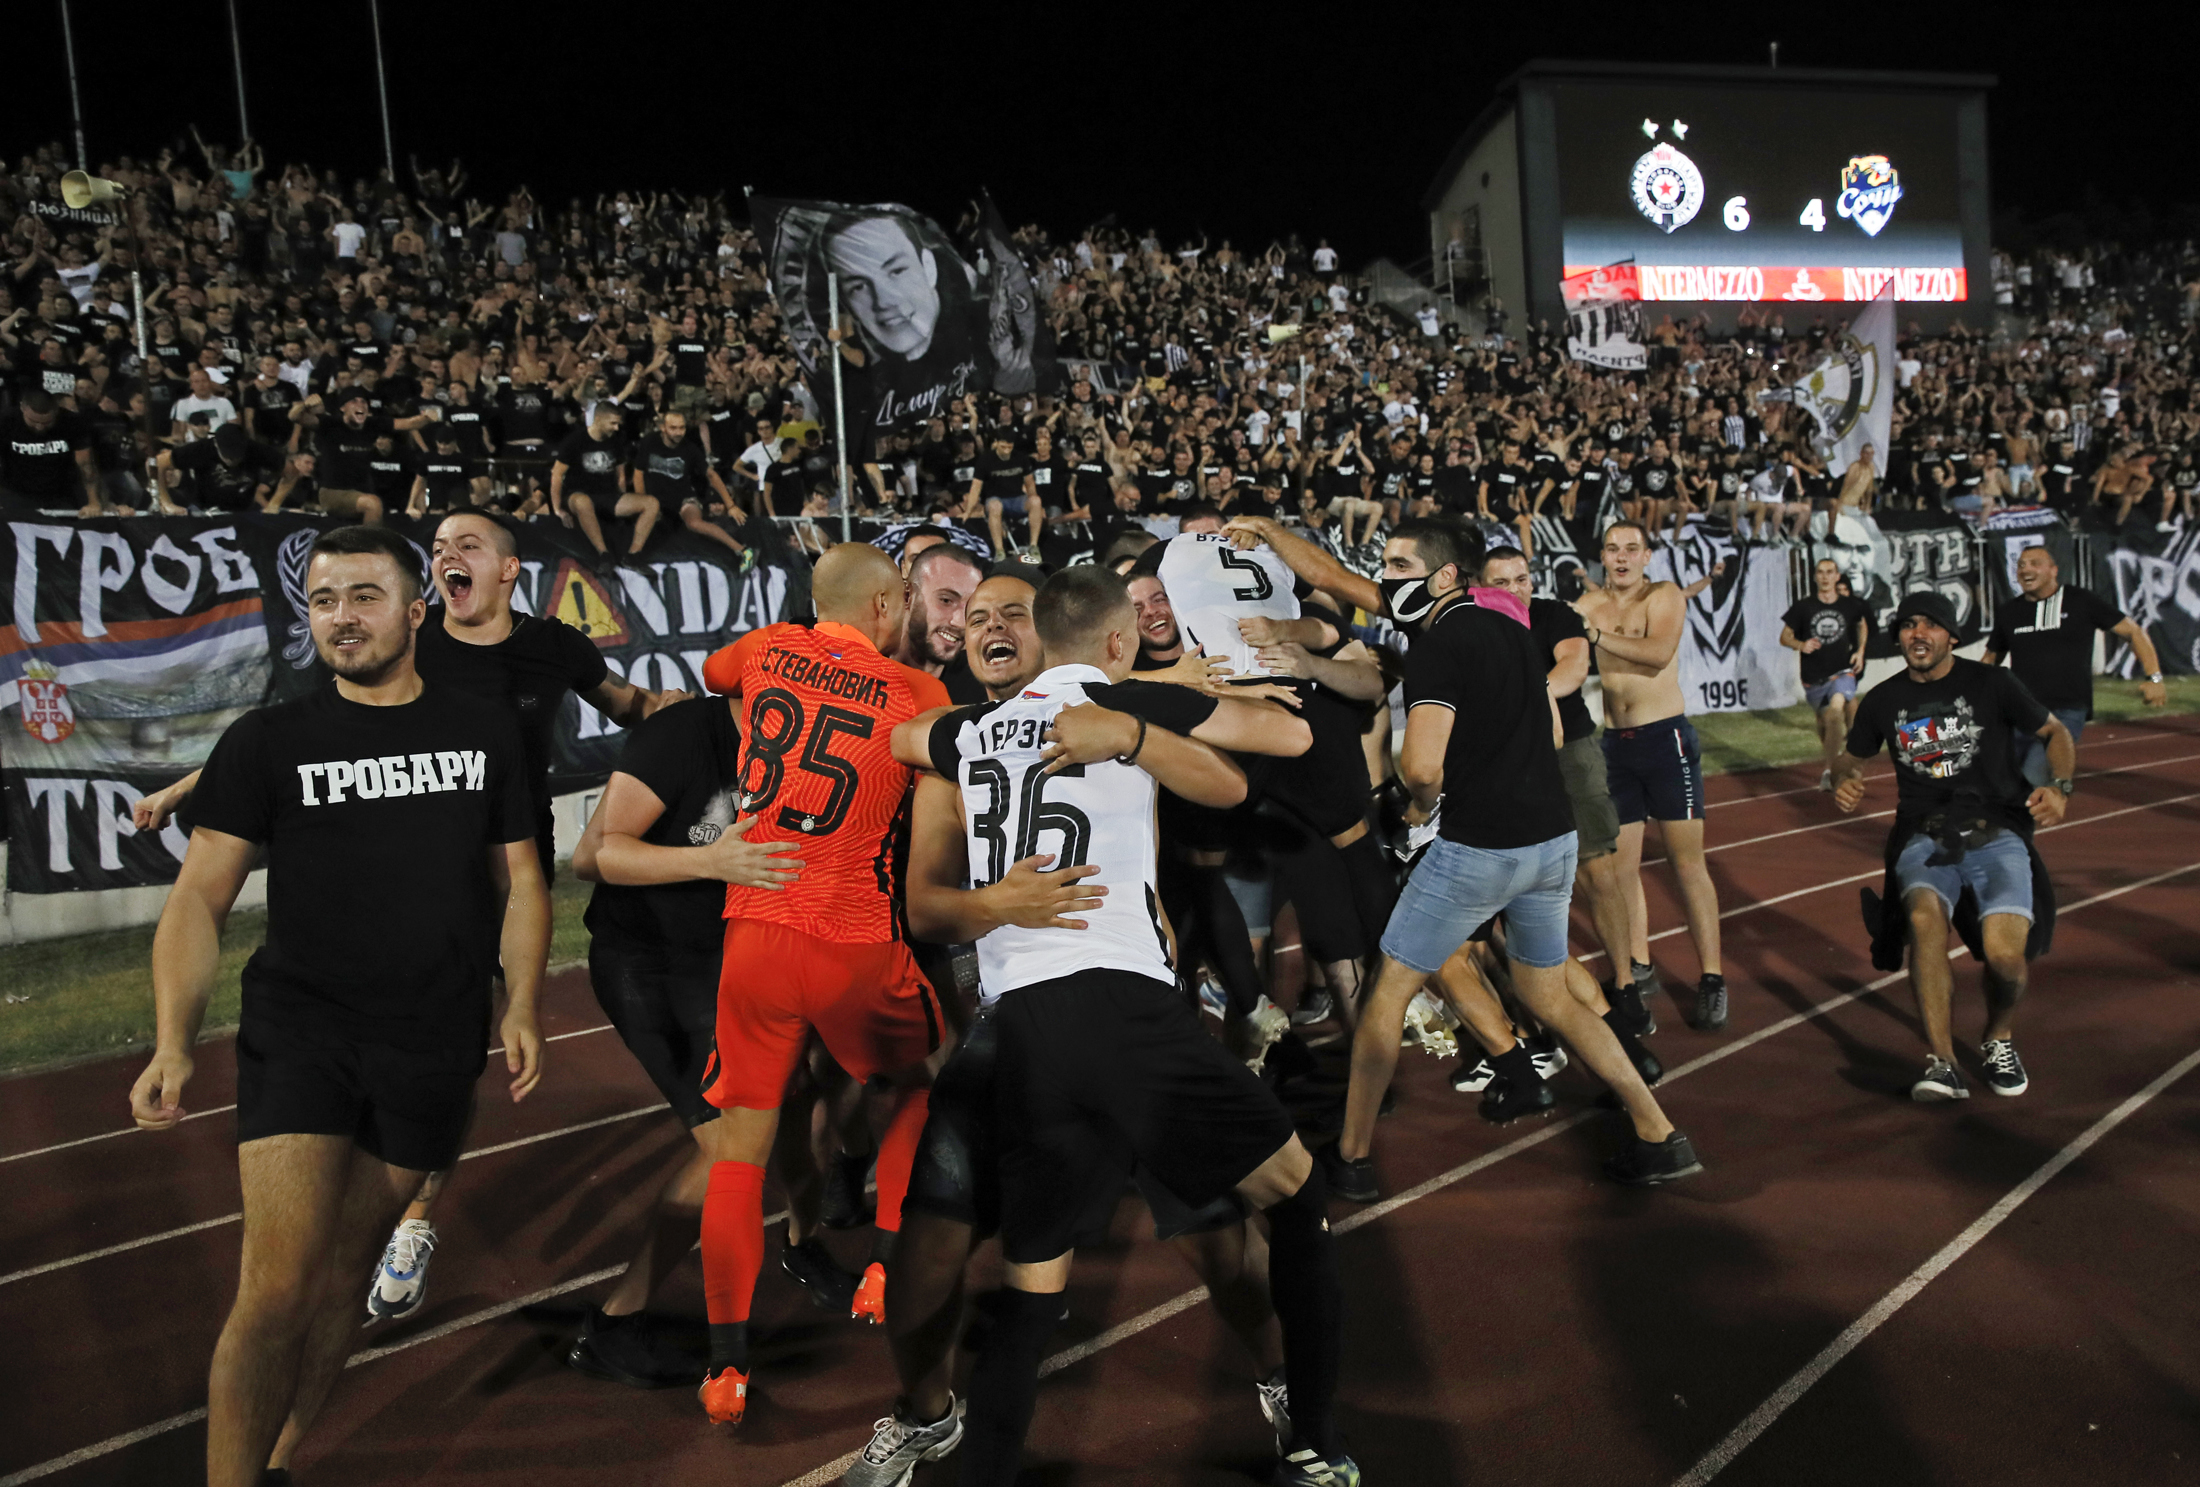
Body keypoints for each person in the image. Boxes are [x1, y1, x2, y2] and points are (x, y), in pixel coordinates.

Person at [131, 510, 687, 1321]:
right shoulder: (407, 646)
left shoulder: (555, 646)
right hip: (421, 872)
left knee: (458, 1052)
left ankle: (416, 1215)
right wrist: (190, 787)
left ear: (508, 570)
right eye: (439, 547)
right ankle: (374, 1196)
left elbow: (627, 702)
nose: (447, 555)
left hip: (507, 869)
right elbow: (307, 731)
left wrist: (687, 710)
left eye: (468, 545)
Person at [894, 566, 1359, 1487]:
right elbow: (1275, 748)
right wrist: (1152, 714)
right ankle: (1315, 1436)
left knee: (1034, 1277)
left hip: (1022, 1026)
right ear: (1117, 641)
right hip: (1121, 1004)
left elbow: (907, 736)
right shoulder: (1118, 699)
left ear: (1039, 633)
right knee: (1296, 1196)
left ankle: (970, 1457)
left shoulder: (967, 731)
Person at [128, 525, 548, 1487]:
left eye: (364, 596)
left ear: (416, 610)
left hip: (436, 1038)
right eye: (323, 600)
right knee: (276, 1286)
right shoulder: (267, 740)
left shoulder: (484, 730)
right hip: (303, 1031)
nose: (341, 617)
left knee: (346, 1276)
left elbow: (522, 880)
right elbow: (197, 899)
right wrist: (173, 1041)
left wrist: (523, 998)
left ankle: (278, 1463)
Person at [1312, 520, 1698, 1203]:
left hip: (1479, 848)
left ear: (1443, 576)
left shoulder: (1436, 645)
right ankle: (1659, 1131)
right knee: (1549, 995)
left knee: (1387, 993)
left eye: (1398, 564)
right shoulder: (1514, 630)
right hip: (1550, 840)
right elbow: (1552, 731)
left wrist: (1419, 808)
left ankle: (1351, 1158)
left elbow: (1421, 766)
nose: (1385, 576)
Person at [690, 543, 954, 1426]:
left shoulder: (768, 645)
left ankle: (726, 1367)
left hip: (757, 928)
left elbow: (715, 674)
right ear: (884, 605)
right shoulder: (917, 689)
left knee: (740, 1150)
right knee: (915, 1083)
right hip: (854, 932)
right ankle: (882, 1263)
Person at [560, 690, 810, 1387]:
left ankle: (807, 1241)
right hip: (652, 963)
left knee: (787, 1110)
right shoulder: (681, 733)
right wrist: (712, 863)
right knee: (732, 1148)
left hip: (729, 962)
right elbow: (592, 855)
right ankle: (617, 1321)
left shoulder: (808, 740)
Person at [1831, 592, 2074, 1101]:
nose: (1918, 634)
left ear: (1952, 636)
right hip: (1923, 834)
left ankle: (1998, 1037)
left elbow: (2054, 732)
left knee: (2006, 960)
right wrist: (1844, 778)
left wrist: (2060, 787)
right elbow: (1850, 758)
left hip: (1996, 832)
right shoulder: (1883, 699)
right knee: (1924, 921)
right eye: (1908, 626)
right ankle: (1943, 1063)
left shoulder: (1993, 683)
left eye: (1930, 625)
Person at [1576, 521, 1730, 1030]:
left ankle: (1712, 978)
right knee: (1621, 870)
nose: (1621, 557)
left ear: (1646, 555)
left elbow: (1658, 652)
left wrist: (1596, 635)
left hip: (1666, 741)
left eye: (1631, 548)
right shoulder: (1587, 604)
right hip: (1614, 747)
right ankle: (1639, 965)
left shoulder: (1664, 596)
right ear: (1602, 556)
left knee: (1687, 865)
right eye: (1612, 549)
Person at [1478, 546, 1642, 1015]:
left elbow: (1573, 666)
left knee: (1597, 870)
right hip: (1501, 761)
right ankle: (1536, 994)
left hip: (1569, 750)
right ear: (1481, 588)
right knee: (1509, 881)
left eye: (1522, 579)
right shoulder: (1472, 625)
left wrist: (1521, 698)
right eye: (1501, 583)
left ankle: (1626, 984)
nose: (1515, 590)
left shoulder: (1555, 615)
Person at [1982, 545, 2167, 787]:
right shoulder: (2009, 612)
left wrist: (2154, 678)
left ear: (2053, 570)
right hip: (2020, 713)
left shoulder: (2080, 601)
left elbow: (2133, 632)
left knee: (2032, 777)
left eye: (2035, 563)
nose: (2025, 569)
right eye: (2021, 565)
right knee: (1999, 784)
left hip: (2065, 712)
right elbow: (1990, 658)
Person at [1781, 558, 1872, 791]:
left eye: (1830, 572)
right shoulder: (1804, 607)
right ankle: (1841, 761)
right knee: (1824, 724)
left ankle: (1831, 771)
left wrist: (1860, 652)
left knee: (1835, 711)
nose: (1825, 576)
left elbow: (1862, 624)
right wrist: (1801, 645)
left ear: (1837, 576)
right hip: (1813, 676)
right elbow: (1785, 637)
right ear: (1815, 577)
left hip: (1842, 670)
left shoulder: (1849, 605)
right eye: (1820, 572)